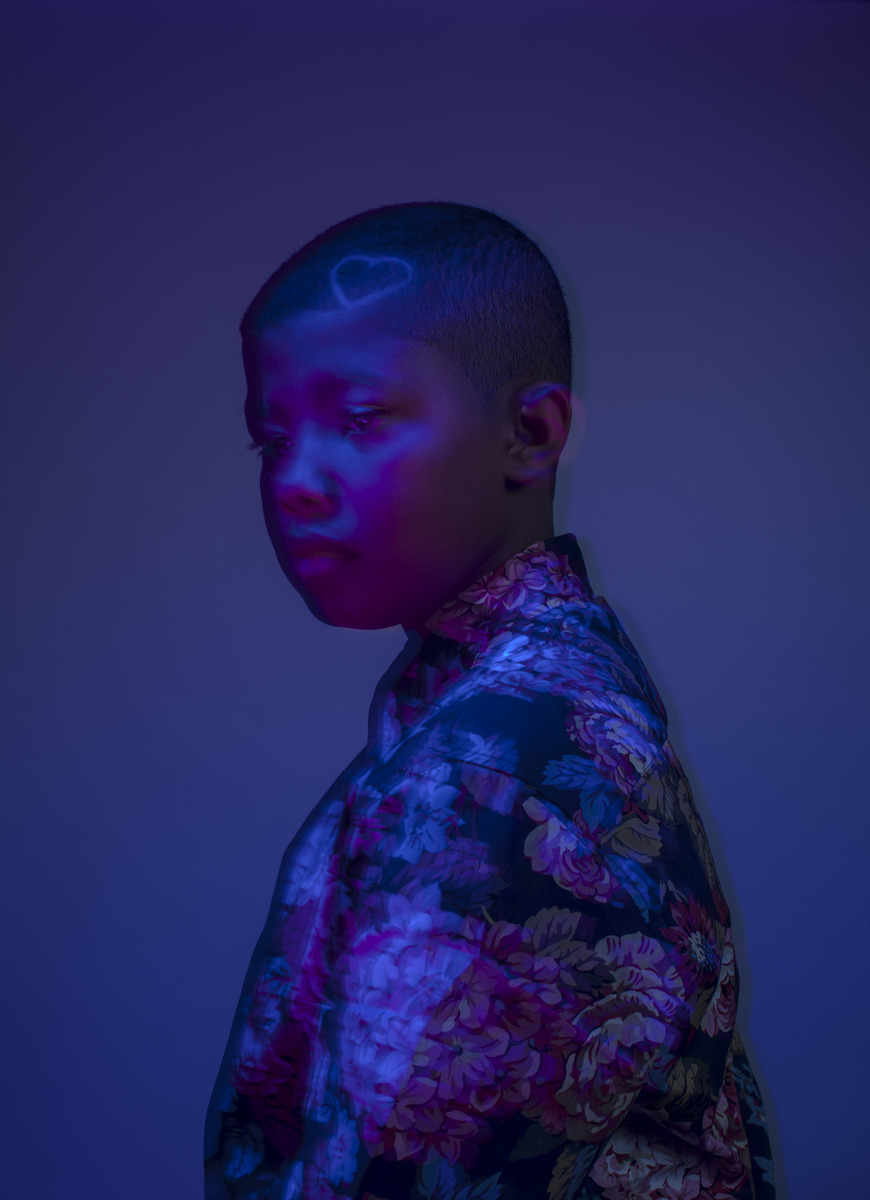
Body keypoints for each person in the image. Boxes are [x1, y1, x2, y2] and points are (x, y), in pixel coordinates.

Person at [205, 202, 775, 1200]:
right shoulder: (506, 700)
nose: (293, 481)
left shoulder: (503, 760)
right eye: (271, 440)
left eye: (359, 420)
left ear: (531, 433)